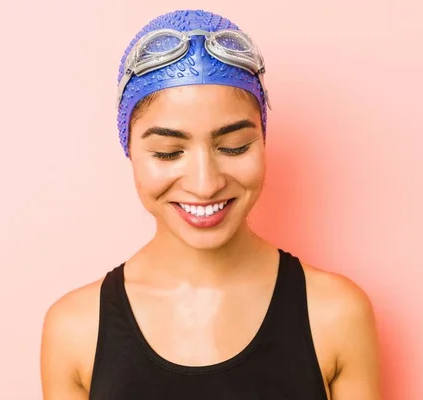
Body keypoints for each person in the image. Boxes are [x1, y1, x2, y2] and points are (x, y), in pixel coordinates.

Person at [40, 9, 381, 400]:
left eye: (234, 146)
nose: (205, 184)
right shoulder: (76, 330)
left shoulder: (337, 314)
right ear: (130, 151)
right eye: (169, 152)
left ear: (264, 142)